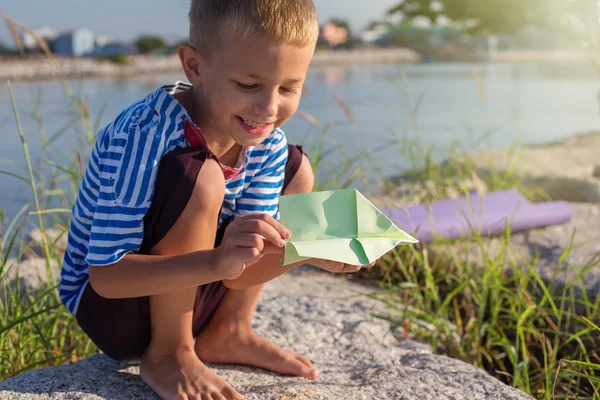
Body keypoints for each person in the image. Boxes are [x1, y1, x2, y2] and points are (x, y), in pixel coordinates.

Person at [59, 1, 377, 398]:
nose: (268, 109)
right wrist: (216, 260)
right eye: (248, 85)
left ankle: (228, 329)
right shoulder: (143, 135)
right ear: (194, 67)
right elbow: (106, 277)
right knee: (203, 176)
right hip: (117, 307)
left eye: (289, 87)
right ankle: (170, 352)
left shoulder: (266, 145)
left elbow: (238, 270)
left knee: (297, 168)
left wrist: (304, 251)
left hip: (196, 286)